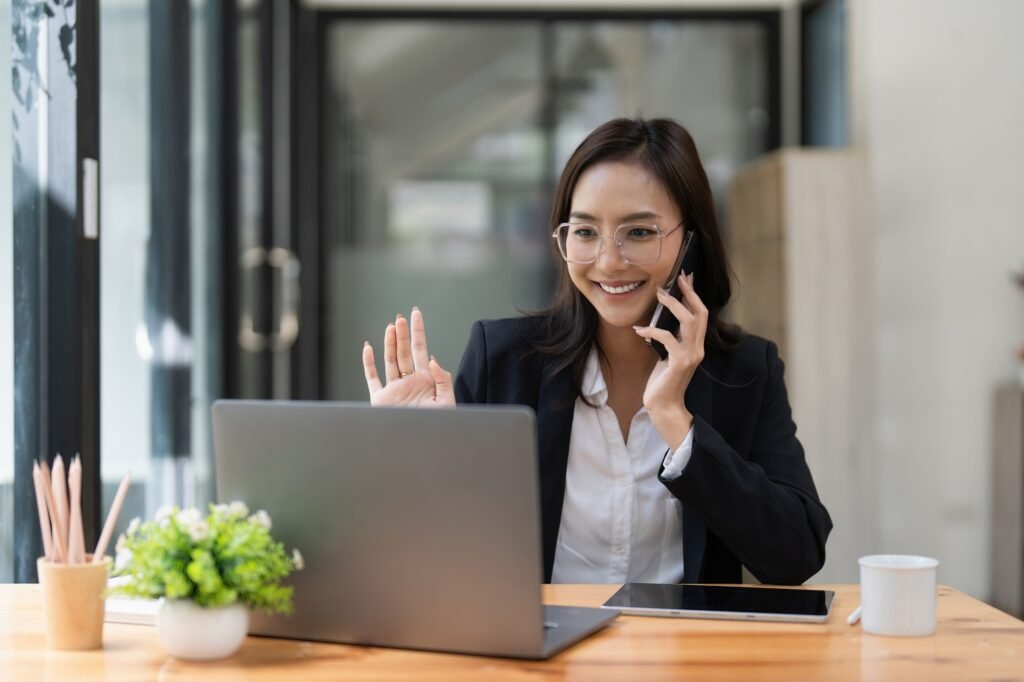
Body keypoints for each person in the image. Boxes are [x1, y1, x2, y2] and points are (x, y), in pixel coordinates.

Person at [361, 117, 832, 585]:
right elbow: (440, 562)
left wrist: (676, 422)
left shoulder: (746, 372)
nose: (608, 262)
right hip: (543, 653)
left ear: (691, 242)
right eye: (585, 233)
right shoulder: (502, 360)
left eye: (640, 233)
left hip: (684, 654)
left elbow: (797, 555)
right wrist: (414, 458)